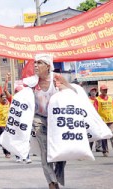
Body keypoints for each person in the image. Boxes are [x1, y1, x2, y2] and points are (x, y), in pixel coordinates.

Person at [29, 54, 76, 189]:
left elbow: (73, 92)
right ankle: (52, 183)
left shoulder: (57, 78)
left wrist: (63, 88)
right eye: (35, 63)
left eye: (40, 63)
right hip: (39, 119)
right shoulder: (32, 82)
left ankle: (56, 175)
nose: (36, 65)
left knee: (61, 153)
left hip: (57, 121)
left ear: (48, 66)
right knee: (45, 152)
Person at [94, 85, 113, 157]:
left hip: (111, 120)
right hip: (102, 121)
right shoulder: (97, 99)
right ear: (100, 91)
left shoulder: (110, 99)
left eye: (106, 89)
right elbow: (95, 111)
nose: (105, 91)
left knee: (112, 134)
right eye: (104, 90)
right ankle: (105, 150)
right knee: (104, 136)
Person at [0, 93, 11, 158]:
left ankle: (8, 150)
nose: (4, 98)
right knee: (4, 138)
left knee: (8, 139)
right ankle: (7, 152)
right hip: (1, 125)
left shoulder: (9, 104)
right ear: (0, 99)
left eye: (5, 97)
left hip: (9, 125)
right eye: (3, 97)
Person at [88, 87, 102, 152]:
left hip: (97, 119)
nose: (94, 92)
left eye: (95, 91)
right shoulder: (87, 100)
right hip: (90, 119)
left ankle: (98, 147)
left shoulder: (98, 100)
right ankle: (89, 147)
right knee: (91, 132)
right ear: (90, 93)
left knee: (98, 133)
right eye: (92, 91)